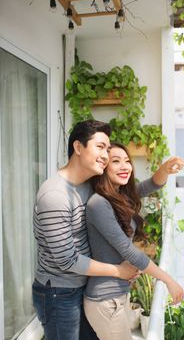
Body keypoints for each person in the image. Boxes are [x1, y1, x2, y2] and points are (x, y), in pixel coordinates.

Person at [32, 121, 138, 340]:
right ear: (78, 148)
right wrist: (118, 271)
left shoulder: (89, 184)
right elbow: (68, 261)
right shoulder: (55, 195)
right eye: (100, 147)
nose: (106, 155)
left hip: (83, 285)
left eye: (108, 150)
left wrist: (161, 175)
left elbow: (127, 191)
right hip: (59, 293)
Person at [84, 142, 184, 340]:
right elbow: (128, 251)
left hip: (116, 295)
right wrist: (167, 279)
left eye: (127, 161)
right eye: (116, 161)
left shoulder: (121, 196)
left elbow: (152, 184)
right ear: (103, 167)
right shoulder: (99, 204)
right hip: (105, 299)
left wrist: (165, 169)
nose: (125, 166)